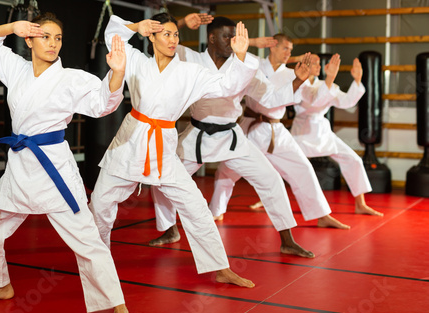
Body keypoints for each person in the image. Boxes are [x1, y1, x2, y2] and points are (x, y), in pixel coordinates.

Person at [0, 13, 140, 313]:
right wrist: (10, 28)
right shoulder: (16, 69)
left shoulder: (71, 78)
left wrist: (117, 74)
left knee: (89, 243)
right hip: (20, 169)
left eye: (58, 38)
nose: (53, 43)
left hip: (54, 172)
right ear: (29, 39)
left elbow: (104, 102)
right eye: (45, 36)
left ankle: (120, 308)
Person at [89, 13, 257, 288]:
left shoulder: (190, 72)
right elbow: (114, 39)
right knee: (101, 204)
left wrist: (239, 57)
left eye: (175, 35)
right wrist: (134, 26)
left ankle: (220, 267)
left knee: (195, 205)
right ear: (152, 37)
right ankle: (96, 263)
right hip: (131, 141)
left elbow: (227, 86)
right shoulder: (136, 61)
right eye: (165, 34)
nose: (172, 39)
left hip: (164, 147)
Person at [149, 15, 314, 258]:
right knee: (162, 179)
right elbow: (161, 38)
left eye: (235, 37)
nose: (232, 41)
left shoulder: (245, 65)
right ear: (212, 38)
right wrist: (182, 23)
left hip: (231, 136)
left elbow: (270, 98)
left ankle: (287, 239)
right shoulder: (189, 58)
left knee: (271, 179)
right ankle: (170, 229)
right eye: (227, 36)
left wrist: (298, 80)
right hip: (198, 134)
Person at [212, 33, 351, 230]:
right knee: (227, 169)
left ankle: (322, 214)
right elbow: (228, 55)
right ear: (273, 46)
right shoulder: (256, 64)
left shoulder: (292, 73)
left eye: (291, 50)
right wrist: (250, 43)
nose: (289, 53)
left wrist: (329, 78)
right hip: (251, 127)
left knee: (303, 167)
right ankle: (216, 210)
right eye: (285, 48)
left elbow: (312, 100)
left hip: (276, 129)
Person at [291, 54, 383, 216]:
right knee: (282, 165)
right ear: (304, 65)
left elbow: (347, 102)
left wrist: (357, 80)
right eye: (314, 63)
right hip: (302, 132)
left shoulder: (327, 85)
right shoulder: (300, 84)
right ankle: (264, 199)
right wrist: (330, 78)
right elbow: (315, 100)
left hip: (323, 131)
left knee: (353, 159)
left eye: (319, 63)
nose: (319, 66)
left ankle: (360, 204)